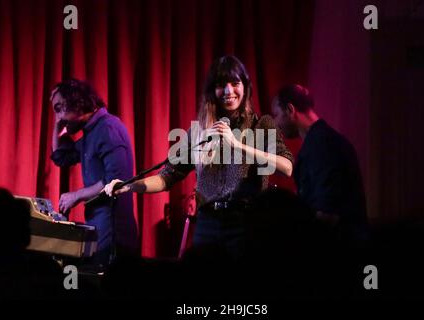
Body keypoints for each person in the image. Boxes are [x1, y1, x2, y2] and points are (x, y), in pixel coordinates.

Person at [104, 56, 293, 259]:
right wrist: (129, 186)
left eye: (235, 83)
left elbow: (286, 166)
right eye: (221, 85)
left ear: (245, 87)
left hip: (245, 223)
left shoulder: (261, 125)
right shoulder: (199, 132)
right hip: (208, 223)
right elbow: (166, 177)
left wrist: (238, 145)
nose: (229, 91)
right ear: (212, 90)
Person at [50, 79, 138, 266]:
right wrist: (58, 125)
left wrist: (77, 195)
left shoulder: (107, 128)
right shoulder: (91, 132)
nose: (58, 117)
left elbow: (116, 180)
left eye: (59, 108)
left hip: (113, 232)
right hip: (100, 226)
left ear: (77, 102)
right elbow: (60, 157)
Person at [272, 84, 369, 244]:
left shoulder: (322, 145)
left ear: (290, 109)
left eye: (276, 114)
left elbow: (327, 212)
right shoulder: (321, 141)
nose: (275, 123)